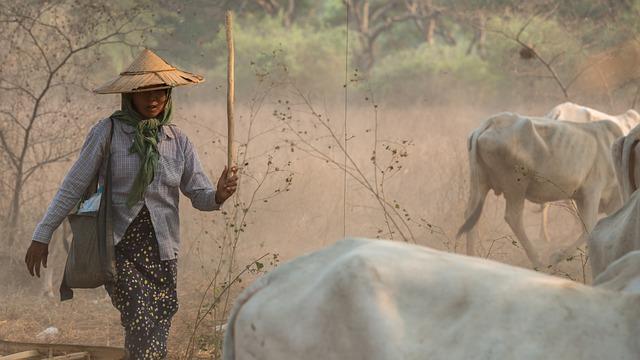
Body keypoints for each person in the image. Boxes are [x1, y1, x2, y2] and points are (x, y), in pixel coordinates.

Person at [24, 49, 238, 359]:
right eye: (144, 93)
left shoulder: (177, 141)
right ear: (129, 96)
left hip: (163, 249)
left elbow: (201, 195)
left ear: (168, 94)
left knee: (161, 314)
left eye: (160, 92)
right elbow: (73, 186)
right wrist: (42, 235)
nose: (153, 100)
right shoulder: (108, 132)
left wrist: (219, 195)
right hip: (119, 246)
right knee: (140, 315)